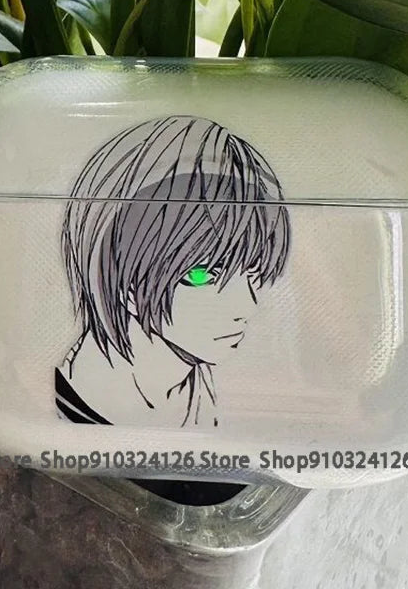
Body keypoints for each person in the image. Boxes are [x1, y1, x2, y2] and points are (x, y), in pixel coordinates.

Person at [56, 115, 291, 428]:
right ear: (123, 277)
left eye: (252, 271)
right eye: (203, 275)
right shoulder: (58, 417)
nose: (246, 306)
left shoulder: (203, 395)